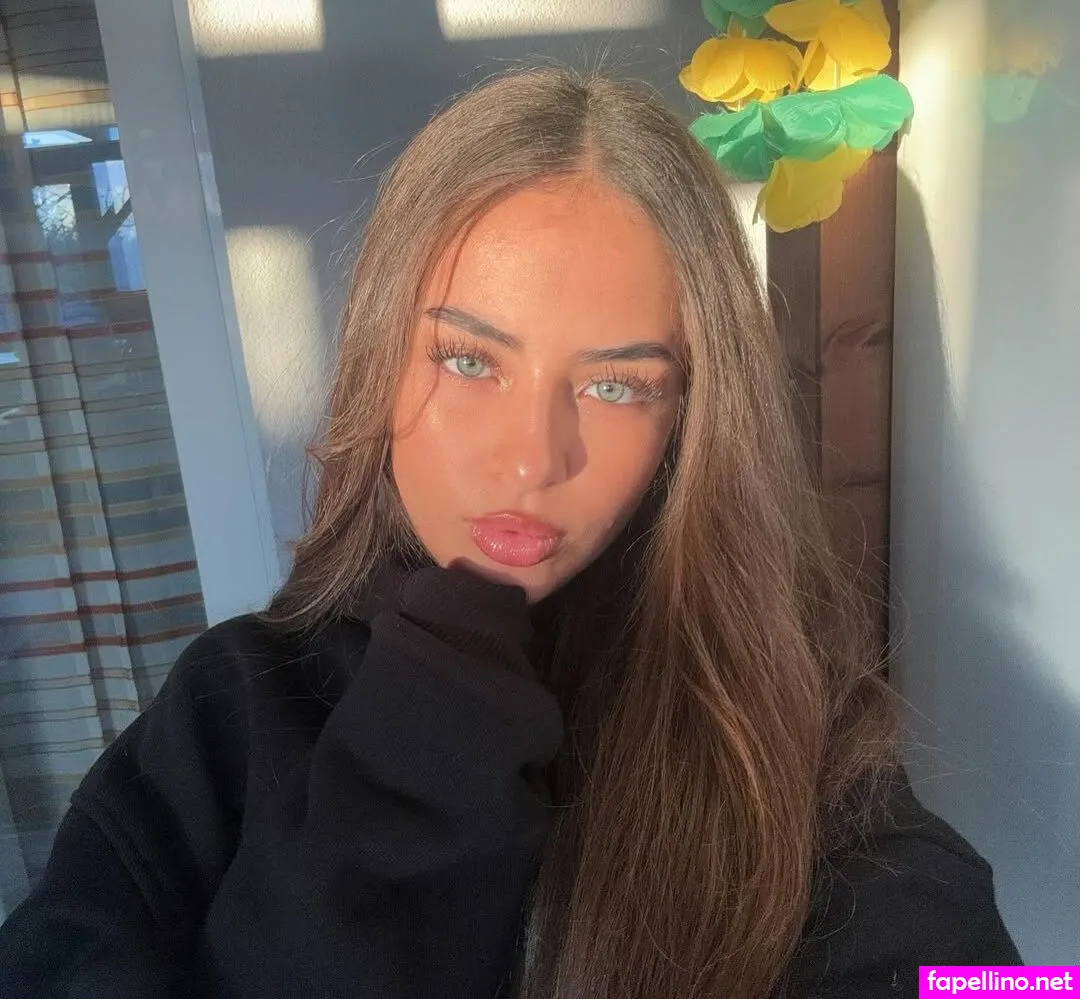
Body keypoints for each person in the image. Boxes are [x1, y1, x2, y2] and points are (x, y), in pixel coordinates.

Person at [0, 66, 1020, 998]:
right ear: (380, 356)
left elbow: (985, 978)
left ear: (689, 418)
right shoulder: (231, 706)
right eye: (469, 361)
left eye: (617, 385)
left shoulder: (784, 731)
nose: (533, 461)